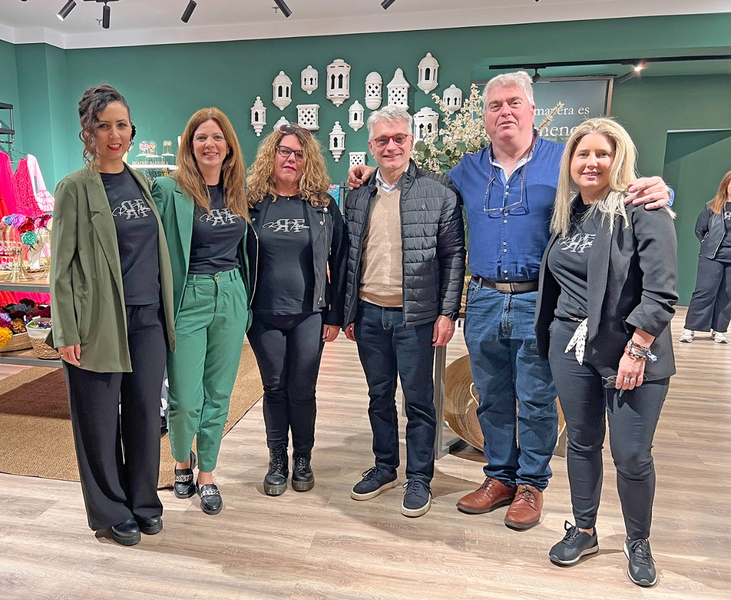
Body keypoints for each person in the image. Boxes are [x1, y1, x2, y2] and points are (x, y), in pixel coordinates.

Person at [351, 71, 672, 530]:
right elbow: (416, 188)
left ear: (531, 110)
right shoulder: (466, 171)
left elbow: (613, 188)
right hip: (481, 299)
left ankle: (531, 484)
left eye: (514, 103)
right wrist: (366, 175)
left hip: (539, 302)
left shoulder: (563, 162)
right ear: (484, 116)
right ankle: (499, 476)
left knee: (537, 398)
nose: (505, 112)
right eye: (495, 105)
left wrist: (662, 191)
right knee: (492, 396)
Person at [535, 118, 677, 587]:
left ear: (619, 160)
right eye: (582, 153)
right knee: (580, 441)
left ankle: (638, 540)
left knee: (632, 454)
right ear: (570, 164)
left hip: (628, 350)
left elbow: (661, 292)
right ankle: (585, 528)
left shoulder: (642, 208)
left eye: (602, 153)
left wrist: (637, 350)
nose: (592, 162)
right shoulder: (567, 214)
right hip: (569, 346)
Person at [49, 85, 175, 547]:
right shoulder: (74, 188)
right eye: (104, 125)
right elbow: (58, 268)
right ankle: (109, 508)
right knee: (99, 421)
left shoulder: (141, 182)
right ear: (88, 131)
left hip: (147, 320)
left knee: (145, 414)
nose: (114, 134)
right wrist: (64, 330)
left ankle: (144, 501)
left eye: (122, 125)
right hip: (97, 322)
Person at [343, 105, 466, 518]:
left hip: (416, 318)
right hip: (368, 314)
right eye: (382, 140)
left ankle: (419, 476)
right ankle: (384, 467)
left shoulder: (440, 191)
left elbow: (454, 257)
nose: (391, 146)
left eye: (399, 138)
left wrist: (448, 312)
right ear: (371, 146)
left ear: (412, 141)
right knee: (378, 396)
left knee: (418, 400)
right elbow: (347, 256)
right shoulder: (357, 194)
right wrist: (346, 312)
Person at [151, 108, 249, 516]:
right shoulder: (168, 188)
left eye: (217, 137)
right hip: (187, 297)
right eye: (200, 137)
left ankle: (207, 472)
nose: (210, 144)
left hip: (230, 293)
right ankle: (180, 461)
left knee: (219, 393)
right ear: (189, 146)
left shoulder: (240, 190)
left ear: (229, 146)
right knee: (186, 397)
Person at [245, 124, 348, 496]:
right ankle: (277, 459)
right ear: (271, 155)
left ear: (308, 160)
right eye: (285, 151)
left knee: (302, 389)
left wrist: (335, 315)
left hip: (310, 313)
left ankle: (302, 458)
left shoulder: (322, 205)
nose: (291, 158)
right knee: (274, 388)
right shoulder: (252, 204)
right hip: (263, 314)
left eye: (299, 153)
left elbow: (342, 256)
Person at [679, 169, 731, 344]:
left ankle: (719, 330)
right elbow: (700, 230)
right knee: (704, 291)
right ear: (726, 185)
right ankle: (689, 329)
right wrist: (708, 245)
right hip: (712, 257)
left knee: (727, 294)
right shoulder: (712, 206)